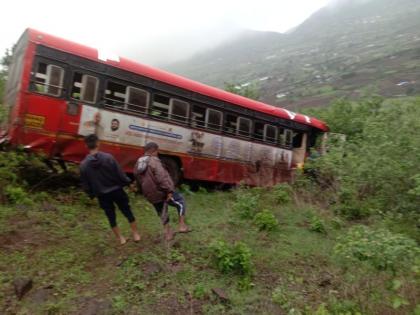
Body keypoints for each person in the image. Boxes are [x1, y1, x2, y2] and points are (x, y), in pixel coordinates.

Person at [80, 134, 141, 245]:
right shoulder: (108, 157)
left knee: (110, 216)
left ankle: (121, 239)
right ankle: (135, 234)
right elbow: (120, 174)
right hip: (117, 191)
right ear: (98, 143)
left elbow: (86, 184)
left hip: (102, 195)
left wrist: (91, 194)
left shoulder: (83, 165)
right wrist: (128, 183)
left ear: (86, 146)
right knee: (127, 210)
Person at [133, 142, 189, 241]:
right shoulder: (154, 161)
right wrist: (170, 190)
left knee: (162, 211)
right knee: (180, 201)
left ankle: (168, 234)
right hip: (161, 191)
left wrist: (143, 192)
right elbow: (162, 177)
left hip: (149, 194)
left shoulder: (139, 162)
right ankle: (182, 225)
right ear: (154, 151)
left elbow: (137, 179)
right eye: (157, 151)